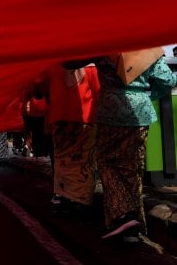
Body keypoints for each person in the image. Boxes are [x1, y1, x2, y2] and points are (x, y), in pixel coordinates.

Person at [92, 54, 175, 242]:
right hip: (140, 111)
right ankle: (136, 221)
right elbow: (167, 79)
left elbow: (70, 62)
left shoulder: (104, 45)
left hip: (110, 109)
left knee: (108, 163)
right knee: (133, 167)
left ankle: (121, 216)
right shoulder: (147, 48)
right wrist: (147, 94)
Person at [45, 63, 100, 219]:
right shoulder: (91, 67)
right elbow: (98, 93)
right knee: (84, 161)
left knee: (62, 159)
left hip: (58, 118)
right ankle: (80, 200)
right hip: (85, 118)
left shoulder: (52, 66)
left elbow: (40, 89)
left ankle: (61, 196)